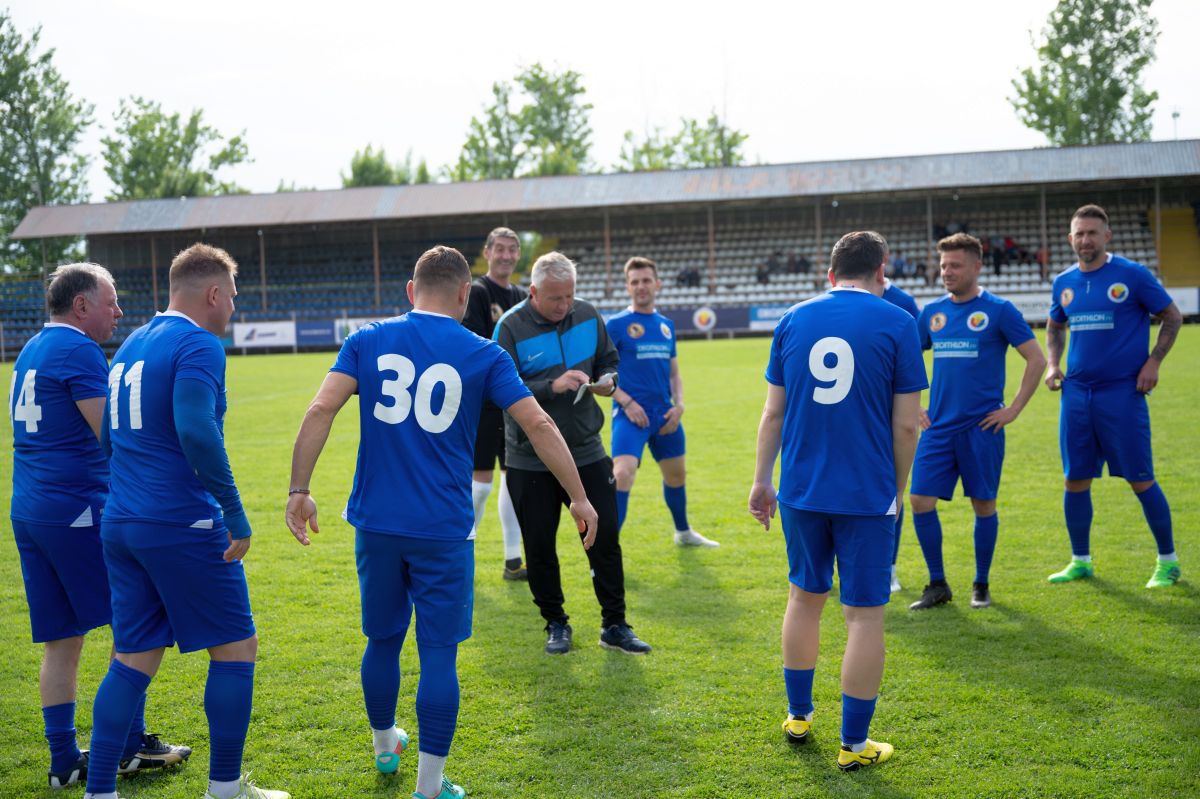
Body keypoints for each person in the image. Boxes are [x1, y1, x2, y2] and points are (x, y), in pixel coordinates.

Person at [285, 246, 596, 799]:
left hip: (376, 522)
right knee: (437, 654)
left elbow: (318, 410)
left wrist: (299, 490)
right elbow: (540, 424)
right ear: (462, 295)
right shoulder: (484, 353)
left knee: (381, 641)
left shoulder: (366, 339)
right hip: (442, 529)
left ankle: (385, 749)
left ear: (411, 290)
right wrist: (578, 496)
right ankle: (429, 786)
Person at [85, 244, 287, 799]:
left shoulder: (130, 343)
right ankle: (224, 789)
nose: (234, 309)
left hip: (123, 521)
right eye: (234, 298)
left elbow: (107, 438)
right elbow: (197, 431)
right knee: (235, 648)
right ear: (214, 294)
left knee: (132, 657)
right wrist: (235, 511)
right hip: (180, 522)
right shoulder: (199, 342)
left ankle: (99, 790)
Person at [748, 231, 925, 772]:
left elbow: (773, 413)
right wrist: (895, 488)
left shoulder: (793, 319)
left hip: (801, 488)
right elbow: (906, 424)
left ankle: (798, 715)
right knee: (864, 616)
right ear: (882, 270)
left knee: (804, 599)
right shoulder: (898, 322)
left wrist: (762, 479)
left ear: (830, 273)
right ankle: (854, 744)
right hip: (866, 492)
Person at [9, 264, 190, 790]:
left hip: (32, 509)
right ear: (81, 306)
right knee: (131, 626)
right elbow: (111, 435)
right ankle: (129, 747)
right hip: (77, 511)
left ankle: (64, 760)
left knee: (62, 641)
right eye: (110, 302)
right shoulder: (79, 352)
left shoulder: (31, 348)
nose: (119, 312)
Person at [494, 251, 652, 656]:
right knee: (540, 545)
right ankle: (555, 622)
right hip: (530, 458)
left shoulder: (587, 314)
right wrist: (552, 385)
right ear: (533, 292)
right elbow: (498, 390)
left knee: (605, 539)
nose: (564, 306)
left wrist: (607, 381)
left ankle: (614, 624)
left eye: (569, 296)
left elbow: (609, 360)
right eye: (554, 299)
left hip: (586, 448)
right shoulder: (509, 328)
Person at [1045, 204, 1183, 588]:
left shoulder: (1133, 276)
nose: (1085, 239)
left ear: (1107, 236)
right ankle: (1080, 560)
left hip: (1122, 393)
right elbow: (1055, 327)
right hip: (1076, 394)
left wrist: (1153, 362)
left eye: (1092, 232)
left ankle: (1168, 562)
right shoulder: (1064, 282)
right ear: (1070, 239)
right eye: (1079, 233)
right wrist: (1053, 365)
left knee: (1140, 478)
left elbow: (1172, 317)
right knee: (1075, 479)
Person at [907, 234, 1046, 611]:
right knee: (919, 499)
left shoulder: (999, 310)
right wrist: (916, 403)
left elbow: (1036, 359)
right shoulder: (932, 312)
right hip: (938, 428)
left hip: (982, 428)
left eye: (955, 265)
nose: (946, 272)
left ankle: (981, 584)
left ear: (976, 266)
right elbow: (906, 358)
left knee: (983, 505)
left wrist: (1013, 409)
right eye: (943, 266)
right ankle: (937, 584)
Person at [606, 257, 718, 547]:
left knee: (677, 475)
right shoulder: (616, 325)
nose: (641, 287)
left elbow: (674, 373)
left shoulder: (666, 326)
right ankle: (608, 549)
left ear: (657, 284)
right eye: (634, 282)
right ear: (627, 287)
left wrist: (679, 405)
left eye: (646, 281)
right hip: (630, 415)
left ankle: (683, 532)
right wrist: (626, 402)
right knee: (622, 473)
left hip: (665, 415)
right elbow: (599, 373)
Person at [462, 227, 529, 581]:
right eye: (499, 249)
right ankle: (459, 555)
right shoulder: (477, 291)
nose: (506, 255)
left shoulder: (520, 293)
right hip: (485, 402)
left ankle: (512, 560)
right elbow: (472, 342)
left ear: (518, 254)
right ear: (487, 252)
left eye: (512, 249)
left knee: (512, 478)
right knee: (481, 482)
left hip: (513, 401)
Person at [880, 269, 919, 593]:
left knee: (893, 492)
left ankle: (889, 567)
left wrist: (909, 399)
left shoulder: (902, 302)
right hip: (858, 411)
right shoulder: (843, 298)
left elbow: (914, 353)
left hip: (894, 409)